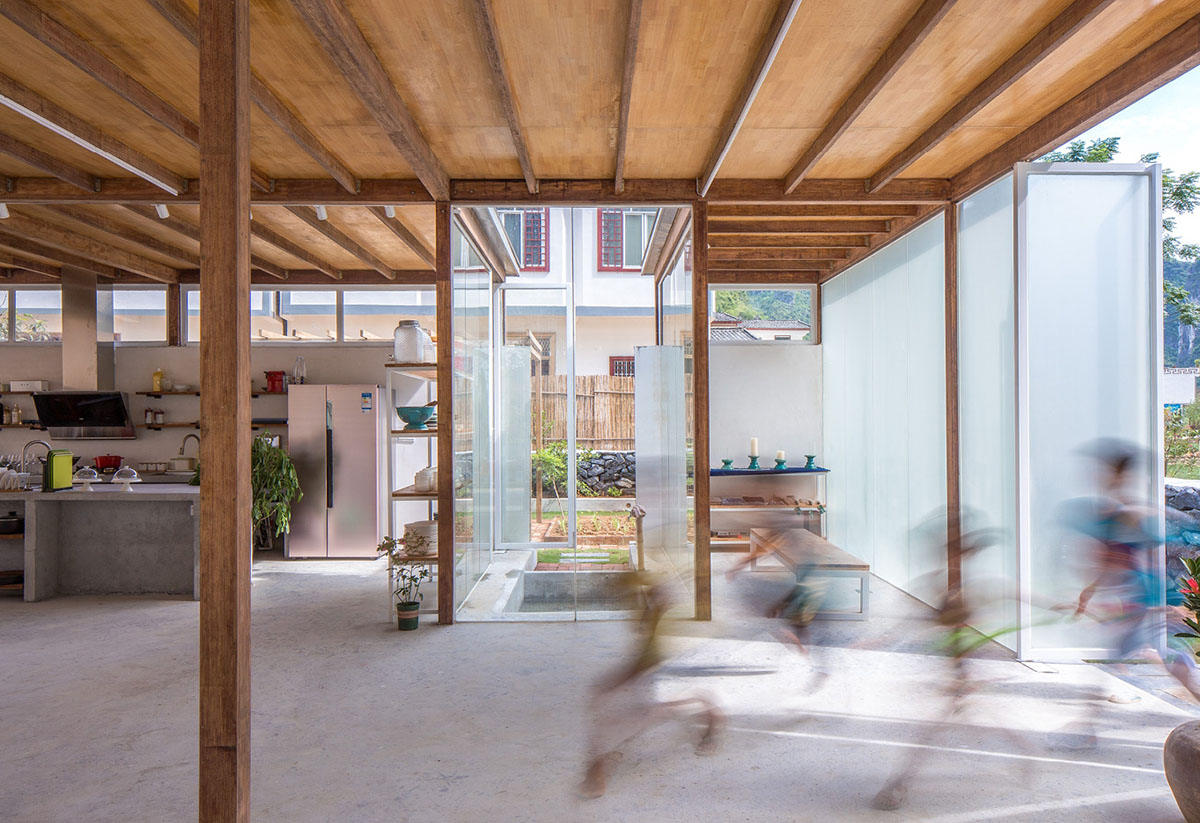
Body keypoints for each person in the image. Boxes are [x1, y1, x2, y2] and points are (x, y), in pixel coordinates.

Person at [580, 573, 724, 799]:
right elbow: (644, 639)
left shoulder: (649, 605)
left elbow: (649, 645)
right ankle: (707, 708)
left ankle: (596, 771)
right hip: (646, 661)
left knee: (634, 715)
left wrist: (623, 676)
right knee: (641, 713)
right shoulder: (642, 602)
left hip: (649, 663)